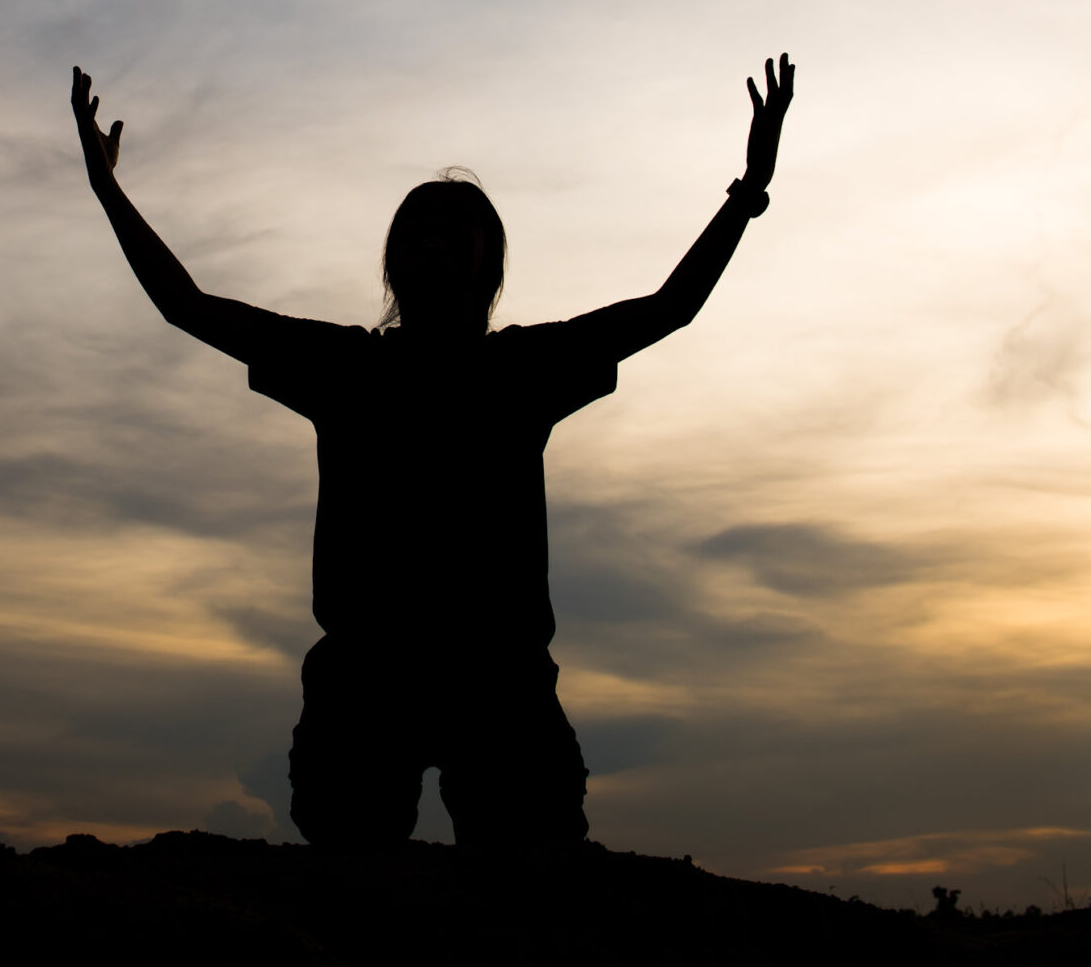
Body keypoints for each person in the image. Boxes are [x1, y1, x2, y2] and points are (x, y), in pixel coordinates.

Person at [70, 55, 795, 850]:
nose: (436, 241)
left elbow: (669, 308)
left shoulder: (523, 369)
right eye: (418, 229)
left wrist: (748, 190)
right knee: (352, 882)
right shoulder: (347, 367)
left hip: (501, 682)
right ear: (391, 259)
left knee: (535, 879)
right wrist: (109, 190)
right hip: (365, 681)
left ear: (490, 262)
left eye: (458, 231)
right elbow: (188, 307)